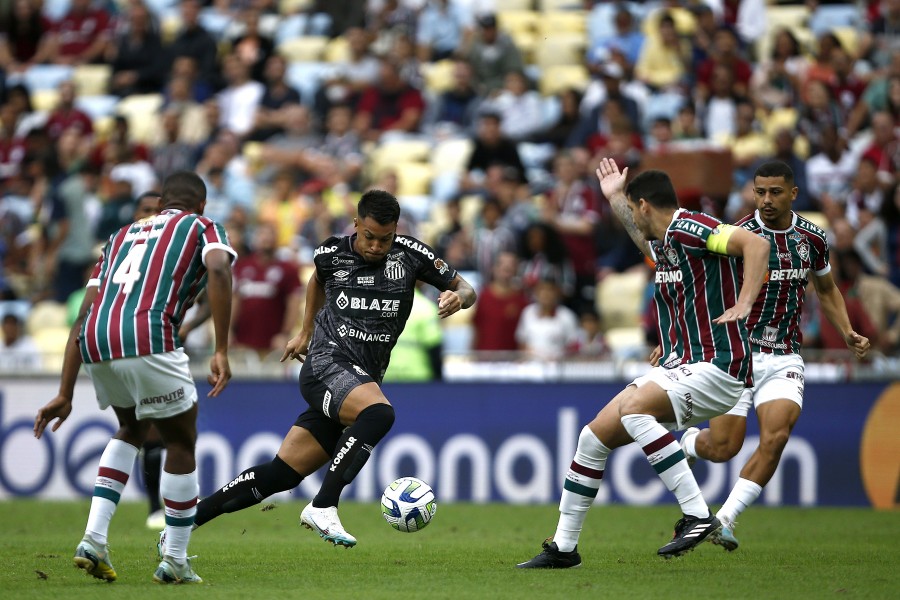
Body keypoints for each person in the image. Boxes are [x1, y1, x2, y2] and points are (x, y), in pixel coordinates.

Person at [516, 157, 771, 568]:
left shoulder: (691, 228)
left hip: (719, 364)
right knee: (592, 437)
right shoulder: (665, 243)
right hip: (681, 363)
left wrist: (744, 300)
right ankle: (564, 547)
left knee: (635, 411)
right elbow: (638, 235)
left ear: (647, 206)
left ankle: (696, 513)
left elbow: (756, 245)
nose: (634, 217)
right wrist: (616, 196)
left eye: (635, 208)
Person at [186, 190, 476, 547]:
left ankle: (187, 520)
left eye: (385, 239)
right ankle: (324, 505)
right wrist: (306, 331)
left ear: (396, 231)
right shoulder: (330, 253)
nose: (376, 246)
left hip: (361, 376)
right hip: (325, 363)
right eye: (369, 237)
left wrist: (459, 297)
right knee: (378, 413)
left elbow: (466, 286)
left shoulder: (412, 255)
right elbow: (317, 281)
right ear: (356, 224)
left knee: (280, 474)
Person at [33, 171, 236, 584]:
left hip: (96, 339)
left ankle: (93, 538)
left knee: (131, 427)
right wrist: (221, 348)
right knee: (180, 440)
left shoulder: (121, 235)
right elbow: (218, 270)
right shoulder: (202, 226)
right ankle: (176, 559)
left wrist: (65, 391)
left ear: (161, 203)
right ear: (201, 205)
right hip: (147, 335)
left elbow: (83, 313)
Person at [679, 161, 870, 551]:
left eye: (775, 192)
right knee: (724, 448)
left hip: (783, 355)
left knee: (777, 437)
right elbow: (701, 288)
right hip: (736, 355)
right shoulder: (738, 236)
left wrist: (847, 329)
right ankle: (690, 443)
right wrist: (674, 339)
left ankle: (725, 519)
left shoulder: (812, 239)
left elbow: (828, 289)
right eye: (760, 191)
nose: (766, 200)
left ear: (793, 193)